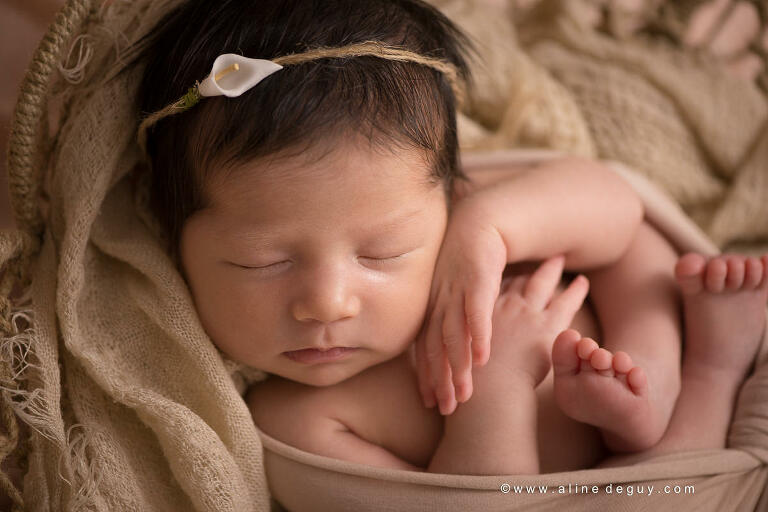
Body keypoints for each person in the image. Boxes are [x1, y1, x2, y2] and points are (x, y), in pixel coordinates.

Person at [136, 0, 768, 475]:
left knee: (634, 250)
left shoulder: (455, 216)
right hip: (609, 483)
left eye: (382, 253)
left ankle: (654, 386)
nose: (328, 303)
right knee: (669, 488)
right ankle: (714, 370)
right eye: (261, 261)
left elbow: (619, 205)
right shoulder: (294, 422)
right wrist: (493, 392)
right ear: (174, 243)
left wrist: (490, 228)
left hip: (622, 342)